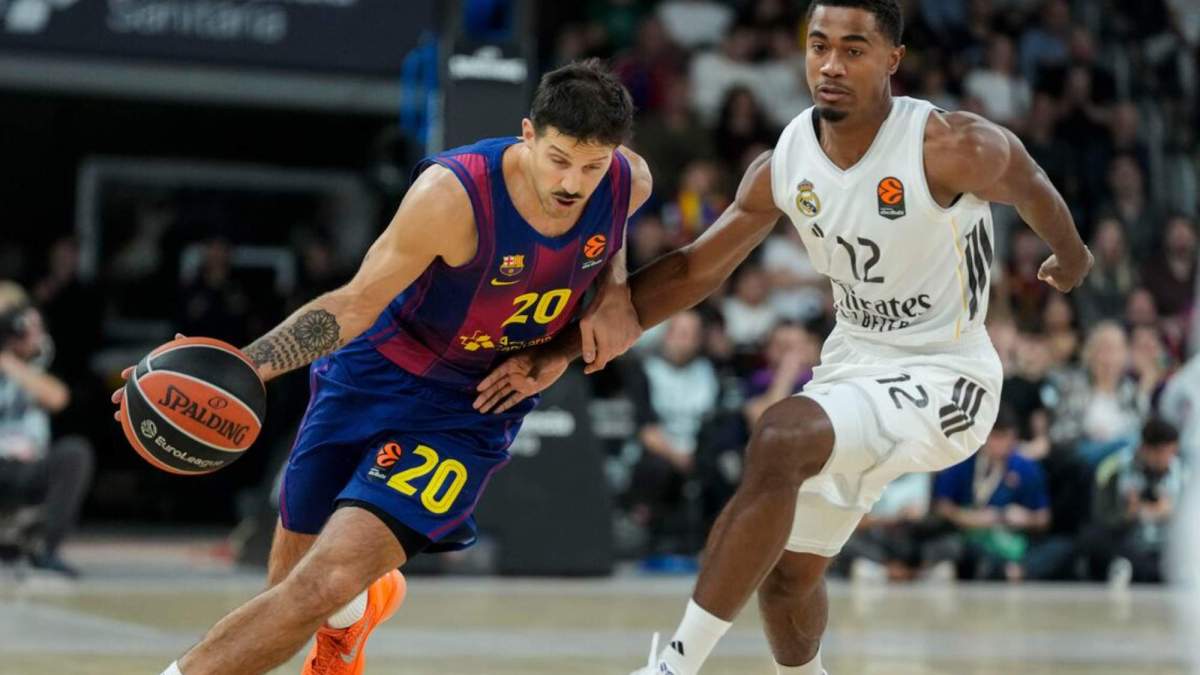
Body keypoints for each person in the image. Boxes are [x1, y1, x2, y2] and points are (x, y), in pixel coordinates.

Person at [473, 2, 1092, 673]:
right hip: (853, 365)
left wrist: (1072, 255)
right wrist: (563, 349)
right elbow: (694, 270)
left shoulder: (949, 146)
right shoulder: (786, 162)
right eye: (819, 45)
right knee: (788, 579)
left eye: (854, 49)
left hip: (948, 374)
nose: (830, 64)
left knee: (780, 434)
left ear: (893, 60)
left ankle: (672, 666)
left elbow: (1029, 178)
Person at [113, 60, 652, 675]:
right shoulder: (453, 196)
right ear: (528, 134)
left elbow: (608, 238)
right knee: (291, 589)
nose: (573, 184)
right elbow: (354, 304)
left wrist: (610, 290)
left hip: (467, 407)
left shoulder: (627, 181)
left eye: (592, 166)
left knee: (318, 586)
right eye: (559, 160)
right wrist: (241, 366)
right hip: (372, 372)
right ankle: (356, 615)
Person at [0, 281, 94, 577]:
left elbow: (57, 397)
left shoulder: (37, 358)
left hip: (29, 464)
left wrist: (9, 360)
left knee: (75, 453)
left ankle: (45, 549)